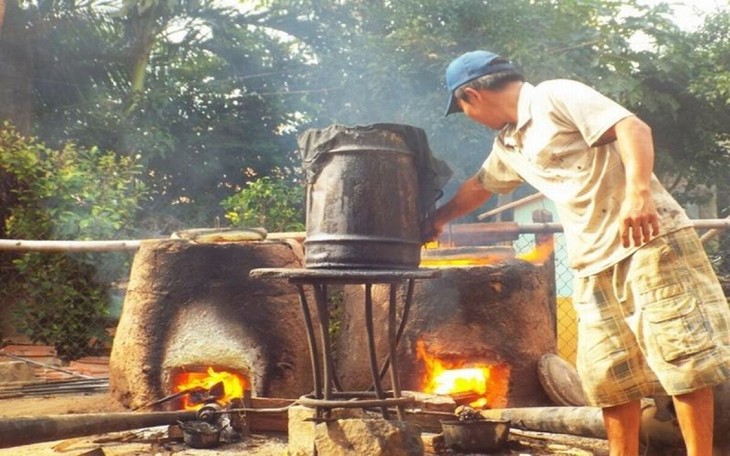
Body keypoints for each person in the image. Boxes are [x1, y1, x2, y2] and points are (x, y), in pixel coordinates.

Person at [430, 50, 730, 455]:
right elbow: (480, 186)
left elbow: (633, 127)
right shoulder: (510, 143)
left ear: (471, 94)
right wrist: (436, 220)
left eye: (462, 107)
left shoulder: (555, 96)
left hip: (648, 241)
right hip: (591, 260)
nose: (467, 115)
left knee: (682, 359)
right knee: (609, 375)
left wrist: (639, 193)